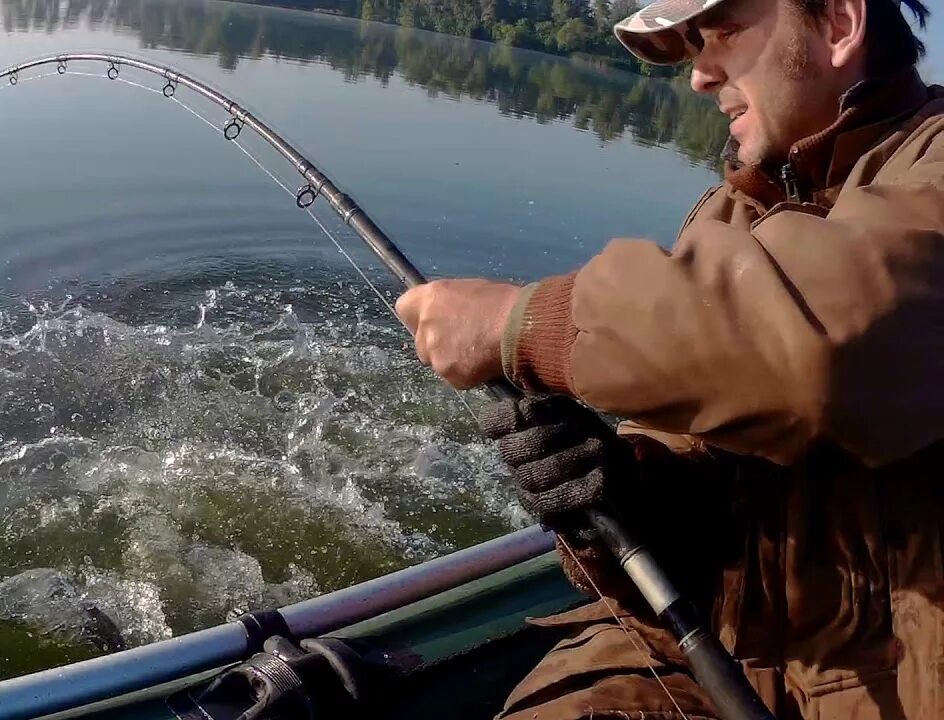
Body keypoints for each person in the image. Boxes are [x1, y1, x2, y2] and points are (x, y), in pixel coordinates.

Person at [394, 0, 944, 716]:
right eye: (689, 46)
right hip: (717, 669)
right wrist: (616, 488)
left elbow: (827, 343)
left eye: (720, 33)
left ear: (839, 23)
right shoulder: (729, 214)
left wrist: (518, 323)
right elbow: (697, 485)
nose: (699, 76)